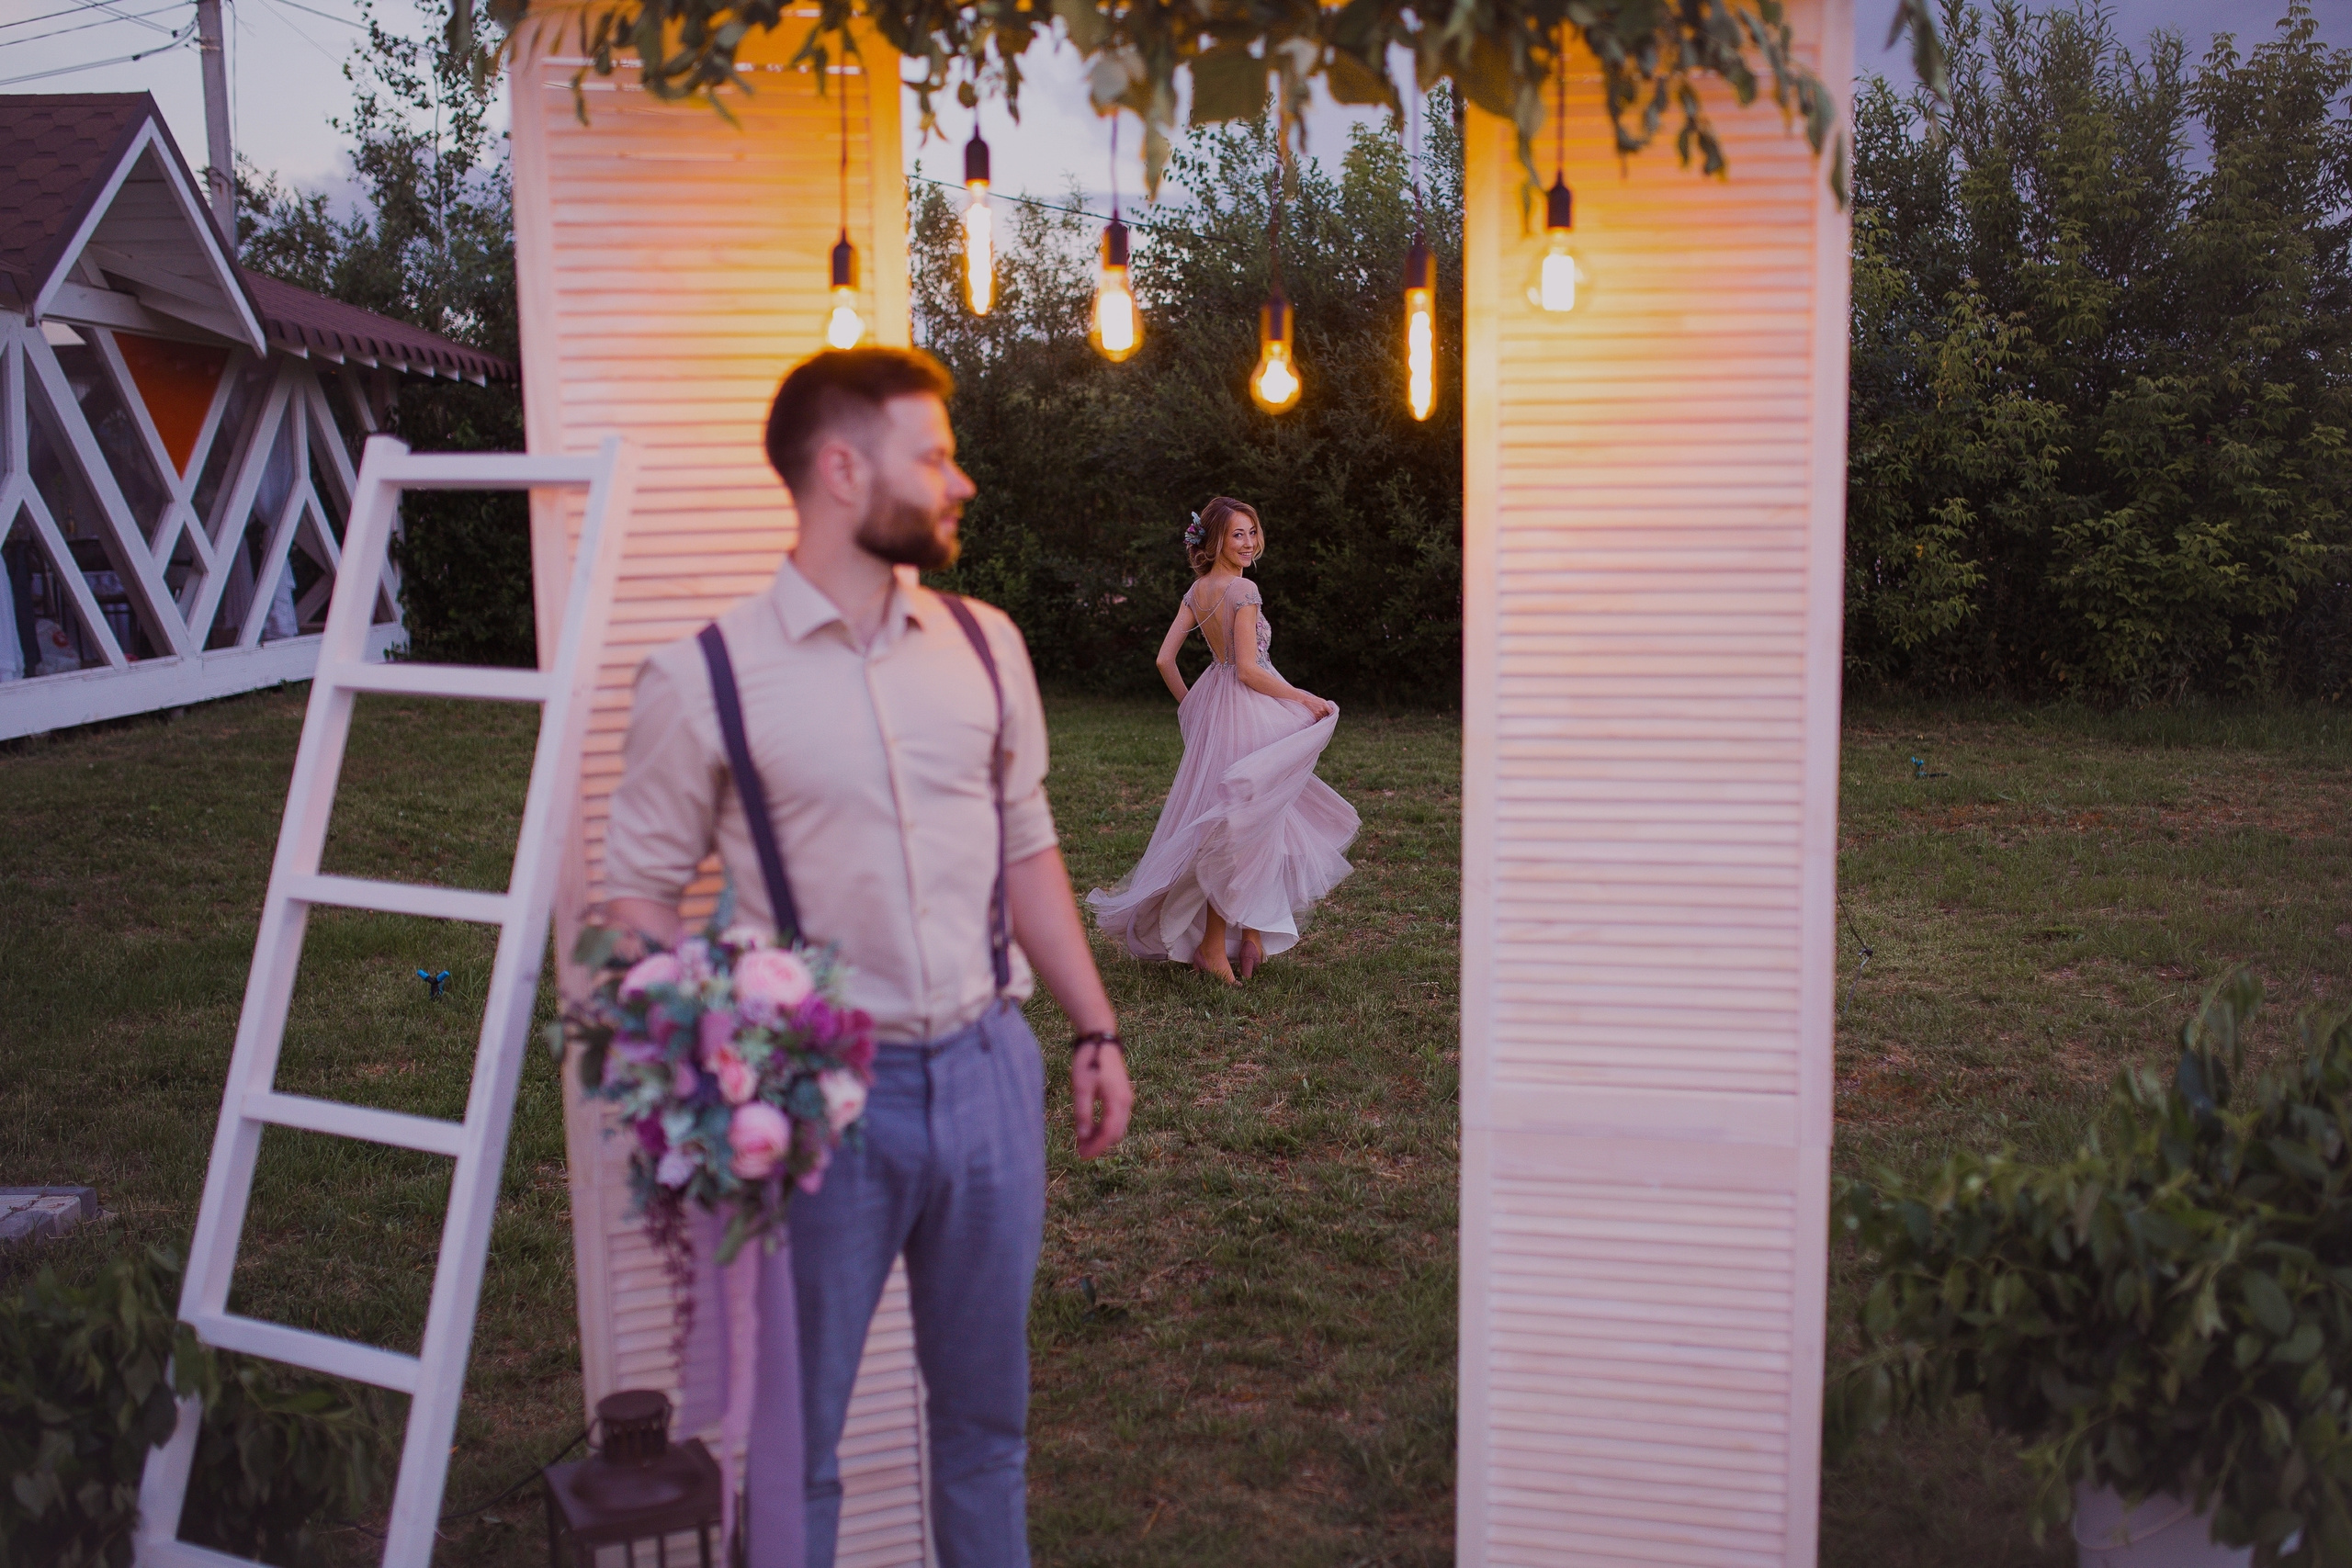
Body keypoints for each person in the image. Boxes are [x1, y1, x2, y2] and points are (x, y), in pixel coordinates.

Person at [598, 345, 1133, 1568]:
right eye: (934, 455)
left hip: (993, 1073)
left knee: (990, 1426)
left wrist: (1092, 1027)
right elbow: (635, 893)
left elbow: (1029, 851)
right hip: (823, 1104)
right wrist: (699, 1059)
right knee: (797, 1453)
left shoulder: (988, 645)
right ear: (843, 469)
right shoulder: (704, 677)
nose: (963, 481)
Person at [1086, 497, 1361, 984]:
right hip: (1252, 706)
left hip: (1219, 705)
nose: (1250, 542)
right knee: (1247, 820)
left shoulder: (1198, 591)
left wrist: (1193, 707)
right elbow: (1251, 670)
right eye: (1238, 534)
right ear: (1213, 541)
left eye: (1253, 531)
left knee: (1253, 815)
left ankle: (1250, 935)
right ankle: (1220, 945)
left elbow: (1165, 661)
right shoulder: (1243, 589)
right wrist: (1301, 696)